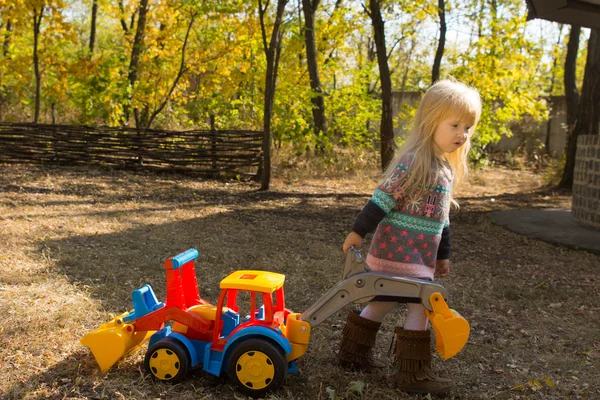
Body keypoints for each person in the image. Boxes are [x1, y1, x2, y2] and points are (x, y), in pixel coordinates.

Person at [338, 79, 482, 394]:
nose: (462, 134)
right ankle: (412, 374)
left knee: (383, 300)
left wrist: (442, 255)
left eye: (468, 127)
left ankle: (352, 353)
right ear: (431, 122)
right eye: (455, 124)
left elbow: (441, 220)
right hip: (398, 254)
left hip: (416, 258)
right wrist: (357, 232)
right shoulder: (415, 161)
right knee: (422, 303)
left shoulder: (444, 169)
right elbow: (382, 199)